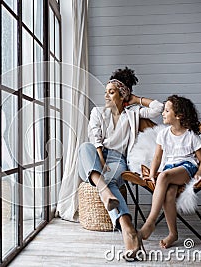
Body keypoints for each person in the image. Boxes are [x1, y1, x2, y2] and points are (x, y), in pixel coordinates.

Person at [77, 67, 163, 259]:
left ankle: (128, 230)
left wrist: (136, 99)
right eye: (106, 91)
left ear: (123, 95)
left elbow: (159, 108)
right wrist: (101, 160)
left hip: (117, 159)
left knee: (110, 181)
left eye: (112, 91)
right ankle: (105, 192)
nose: (106, 95)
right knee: (84, 147)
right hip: (95, 157)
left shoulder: (133, 113)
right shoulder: (98, 112)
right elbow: (94, 136)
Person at [139, 95, 201, 249]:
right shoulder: (163, 134)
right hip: (170, 169)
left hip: (187, 167)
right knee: (169, 195)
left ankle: (150, 222)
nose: (162, 113)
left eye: (166, 110)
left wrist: (199, 173)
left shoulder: (191, 136)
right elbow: (157, 157)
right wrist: (151, 174)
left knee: (164, 176)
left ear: (178, 115)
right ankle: (173, 234)